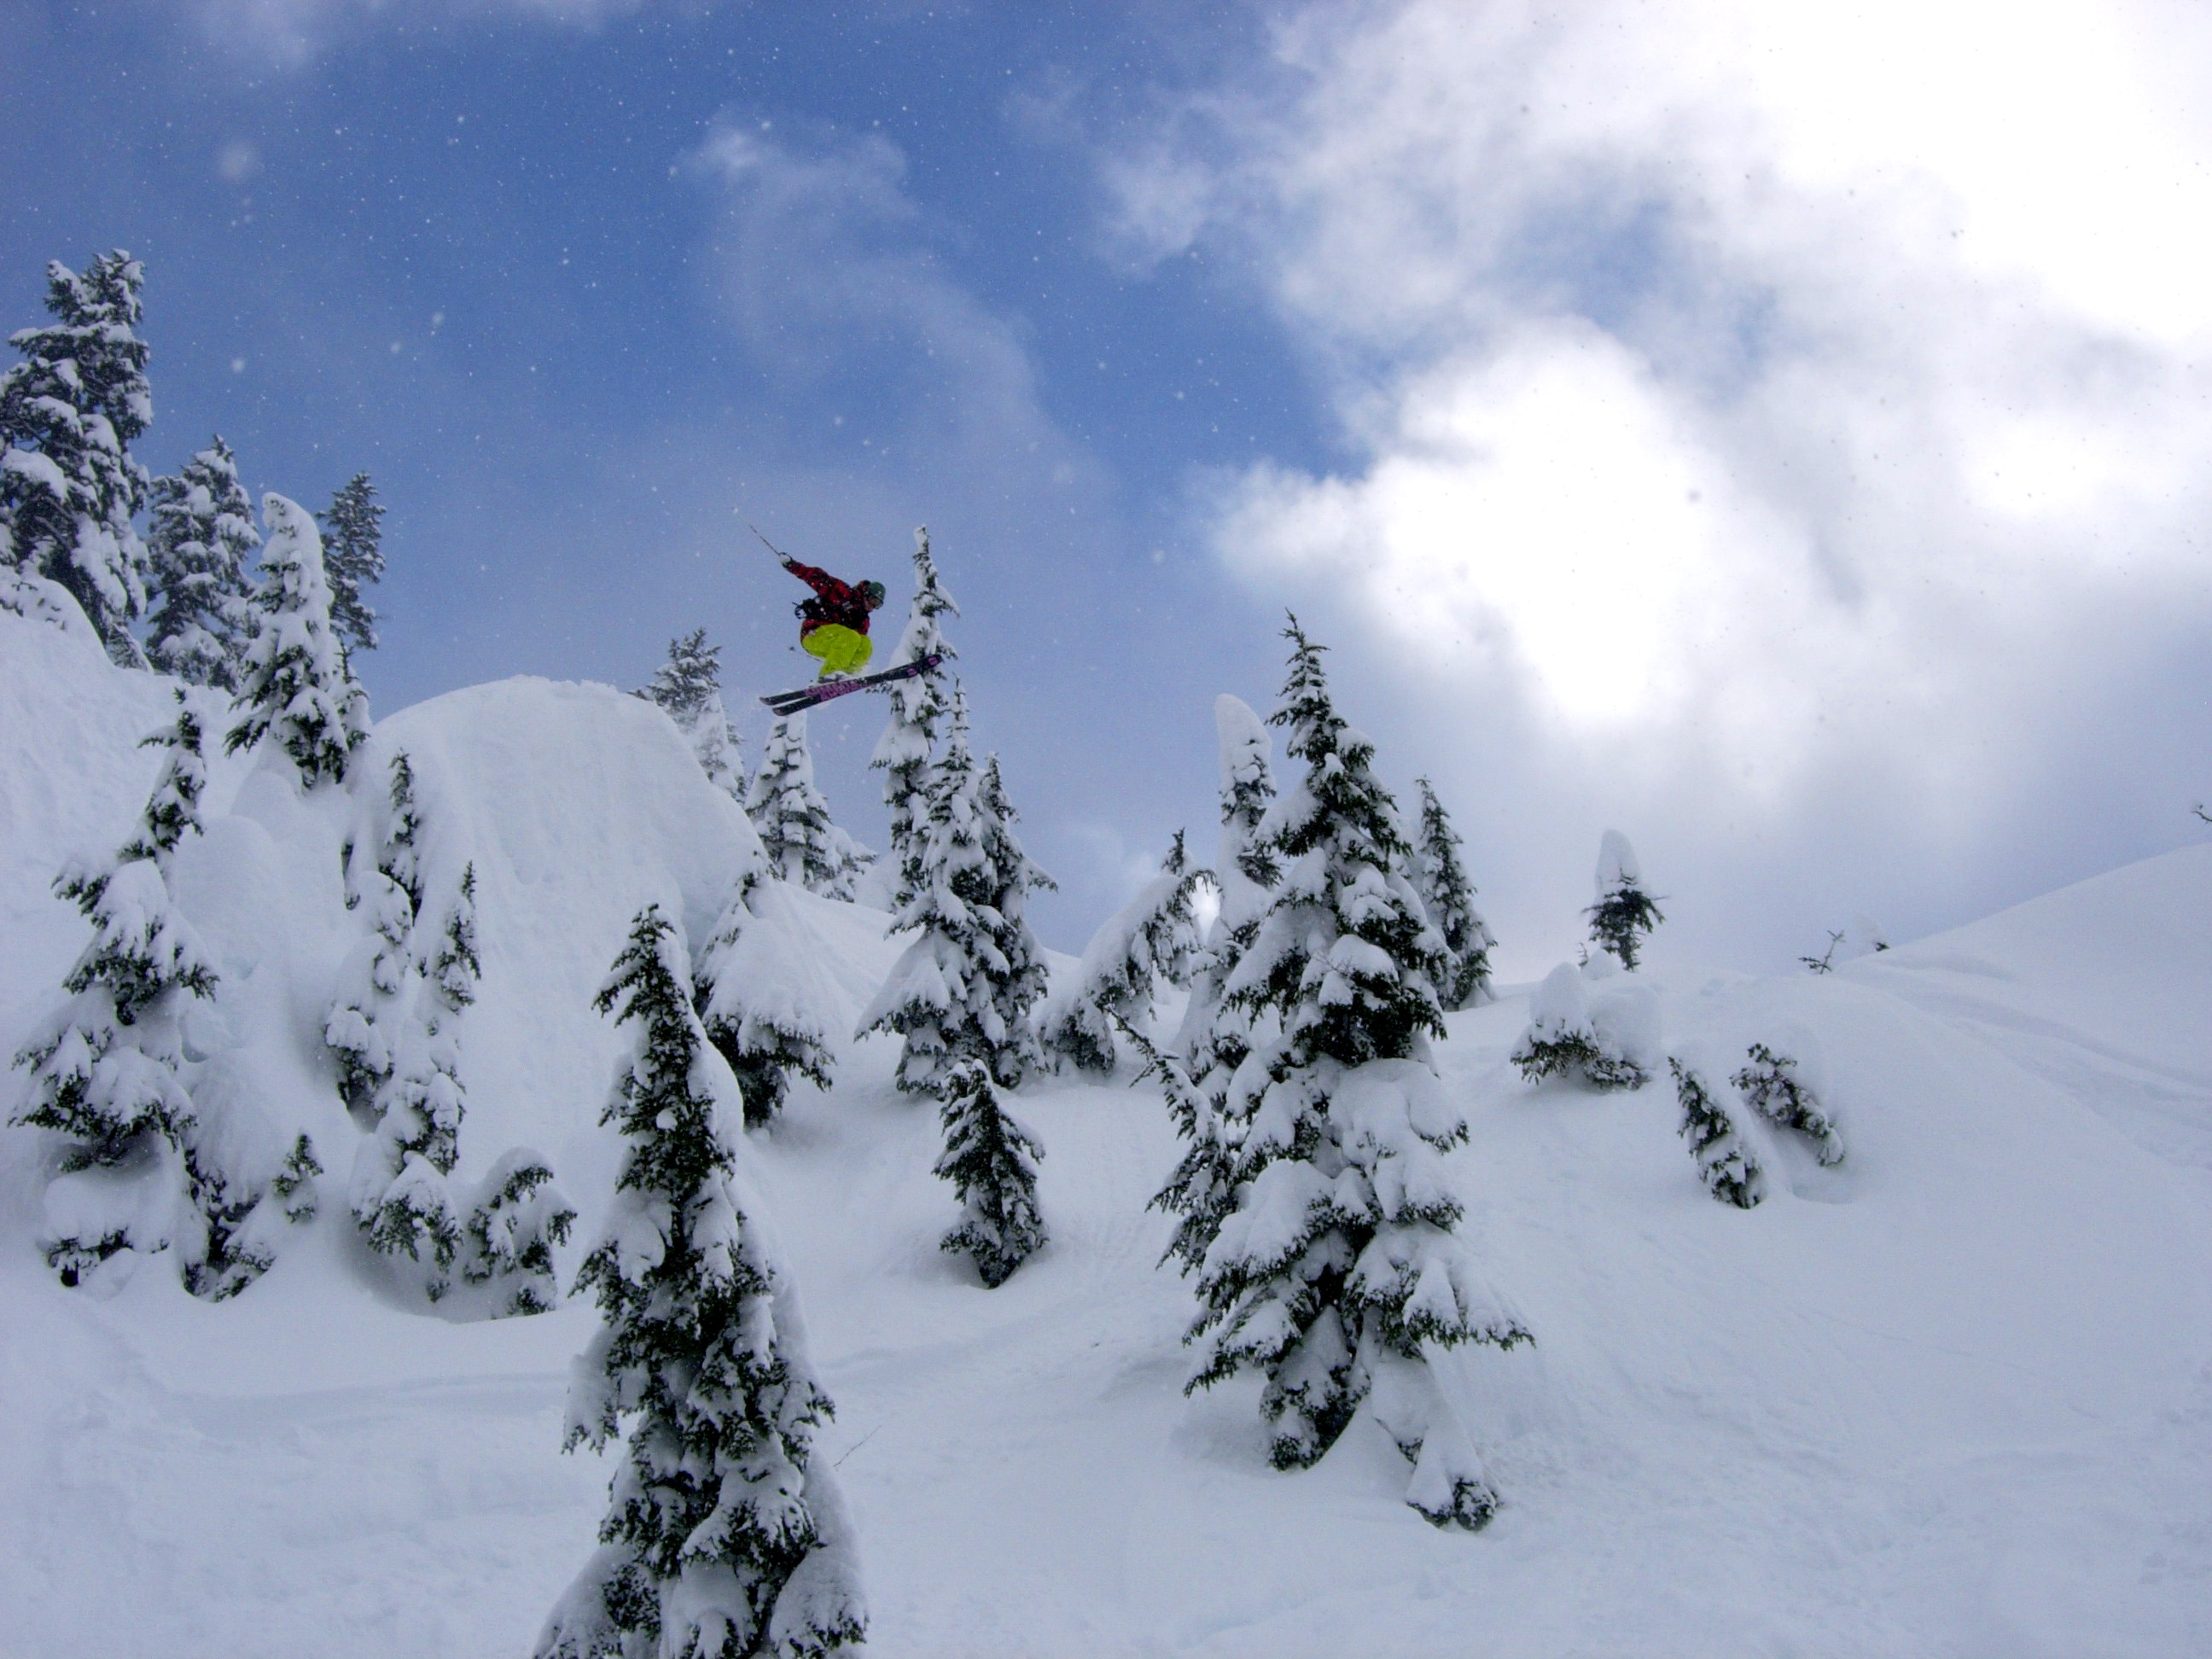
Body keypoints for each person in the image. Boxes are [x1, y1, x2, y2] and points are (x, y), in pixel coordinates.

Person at [772, 546, 887, 678]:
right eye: (873, 600)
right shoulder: (844, 594)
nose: (872, 606)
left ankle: (849, 675)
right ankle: (828, 675)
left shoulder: (863, 620)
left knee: (865, 644)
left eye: (877, 605)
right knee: (851, 637)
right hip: (814, 633)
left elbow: (854, 648)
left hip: (834, 640)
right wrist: (793, 566)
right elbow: (818, 577)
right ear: (866, 593)